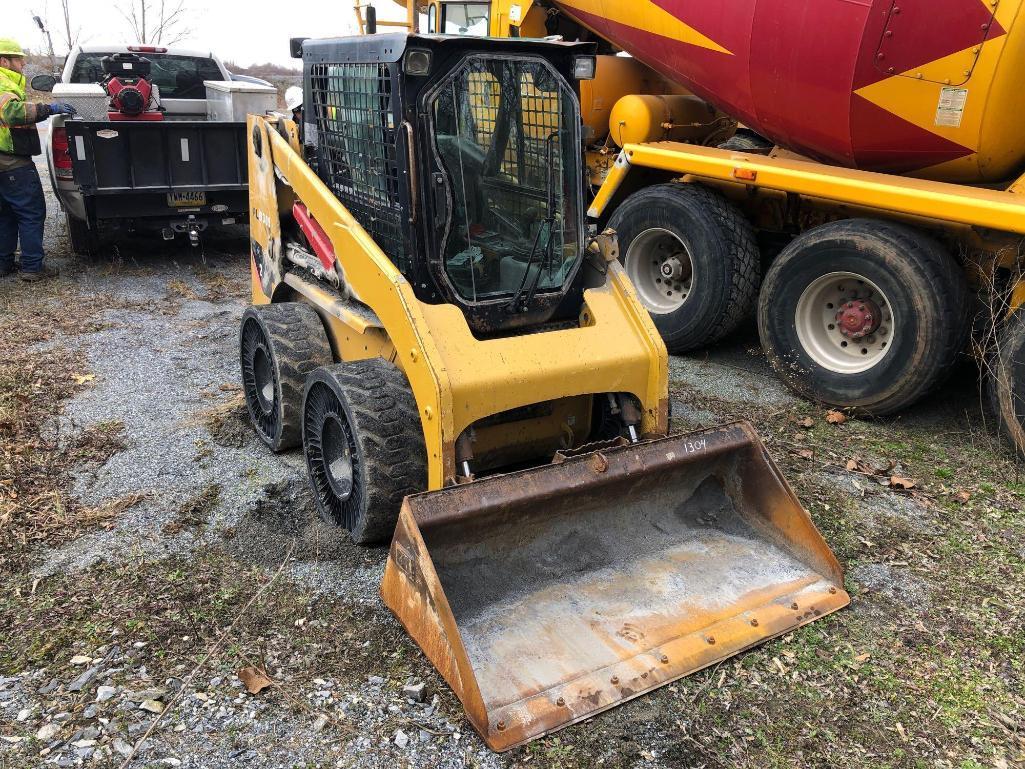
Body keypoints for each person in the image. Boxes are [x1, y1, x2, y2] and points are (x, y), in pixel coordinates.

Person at [0, 38, 76, 281]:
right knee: (30, 212)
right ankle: (32, 267)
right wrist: (49, 109)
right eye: (18, 59)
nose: (23, 63)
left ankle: (4, 264)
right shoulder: (2, 82)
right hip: (11, 160)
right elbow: (13, 112)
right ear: (4, 61)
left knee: (5, 213)